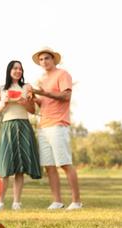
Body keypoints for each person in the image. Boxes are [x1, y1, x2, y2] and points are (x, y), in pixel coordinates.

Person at [31, 47, 82, 210]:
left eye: (46, 58)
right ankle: (57, 201)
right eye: (41, 59)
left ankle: (76, 202)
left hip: (58, 124)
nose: (44, 61)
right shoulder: (42, 80)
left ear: (53, 60)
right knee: (49, 165)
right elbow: (42, 103)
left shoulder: (62, 74)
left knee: (65, 163)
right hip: (43, 126)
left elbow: (66, 96)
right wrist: (34, 97)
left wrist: (41, 92)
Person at [0, 60, 42, 211]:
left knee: (20, 166)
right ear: (9, 70)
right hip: (8, 126)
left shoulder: (27, 87)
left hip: (24, 125)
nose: (18, 71)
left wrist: (22, 102)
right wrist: (3, 106)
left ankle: (16, 202)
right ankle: (0, 202)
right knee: (5, 166)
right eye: (15, 68)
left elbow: (32, 110)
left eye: (20, 69)